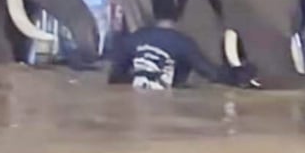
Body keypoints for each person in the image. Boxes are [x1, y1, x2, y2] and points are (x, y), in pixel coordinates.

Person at [107, 20, 260, 90]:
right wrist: (240, 75)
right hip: (164, 105)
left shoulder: (133, 39)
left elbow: (114, 79)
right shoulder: (183, 43)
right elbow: (212, 74)